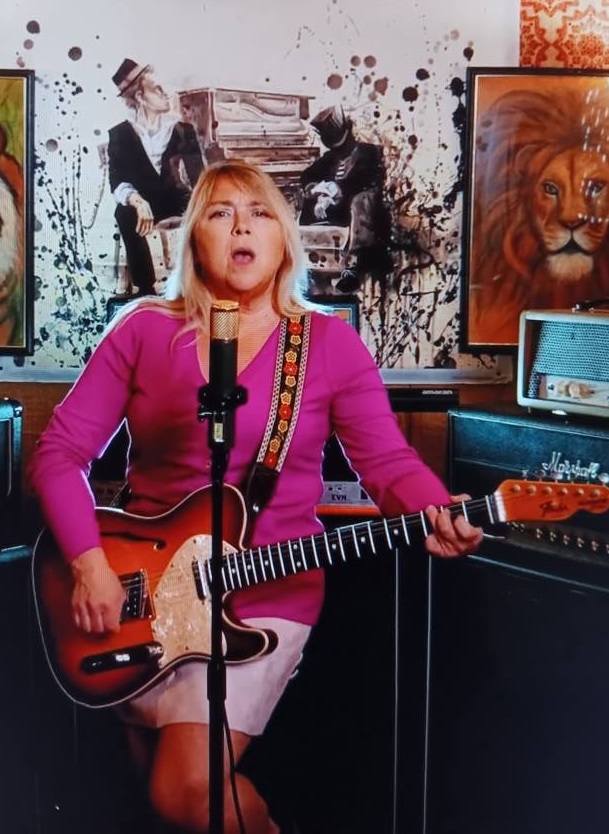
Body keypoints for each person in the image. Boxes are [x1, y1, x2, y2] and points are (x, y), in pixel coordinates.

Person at [29, 160, 482, 834]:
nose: (241, 226)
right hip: (140, 596)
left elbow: (386, 462)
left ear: (283, 239)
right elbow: (59, 454)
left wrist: (436, 508)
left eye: (260, 212)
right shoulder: (142, 330)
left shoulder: (328, 344)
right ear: (195, 238)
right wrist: (88, 562)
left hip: (268, 593)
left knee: (183, 791)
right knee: (156, 797)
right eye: (220, 213)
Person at [108, 58, 205, 295]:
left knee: (205, 211)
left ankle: (199, 281)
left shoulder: (183, 130)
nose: (166, 94)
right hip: (144, 203)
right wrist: (138, 202)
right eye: (158, 89)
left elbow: (200, 178)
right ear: (140, 97)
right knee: (123, 213)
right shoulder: (120, 134)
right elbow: (117, 181)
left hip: (176, 200)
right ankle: (146, 289)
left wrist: (202, 206)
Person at [299, 106, 393, 292]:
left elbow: (364, 178)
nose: (339, 150)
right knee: (309, 203)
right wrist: (317, 191)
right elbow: (308, 175)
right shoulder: (330, 157)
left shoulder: (370, 153)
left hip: (361, 217)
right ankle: (311, 259)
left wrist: (336, 190)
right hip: (336, 215)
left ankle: (353, 267)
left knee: (360, 201)